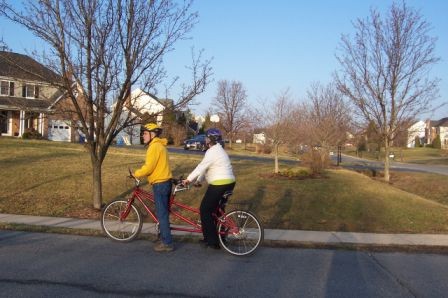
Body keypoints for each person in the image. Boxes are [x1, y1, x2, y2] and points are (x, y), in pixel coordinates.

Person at [183, 128, 235, 249]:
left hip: (219, 184)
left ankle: (212, 241)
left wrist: (188, 179)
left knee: (205, 210)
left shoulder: (212, 151)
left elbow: (201, 167)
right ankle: (219, 237)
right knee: (217, 212)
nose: (205, 139)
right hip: (230, 182)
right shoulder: (219, 150)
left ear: (211, 139)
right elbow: (206, 168)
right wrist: (198, 181)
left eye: (206, 137)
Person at [134, 123, 174, 252]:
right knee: (164, 213)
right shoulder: (160, 145)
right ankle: (164, 237)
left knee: (161, 214)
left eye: (145, 133)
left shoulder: (154, 147)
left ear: (152, 134)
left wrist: (136, 173)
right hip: (165, 182)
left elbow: (149, 167)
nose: (143, 136)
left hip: (160, 184)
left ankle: (167, 243)